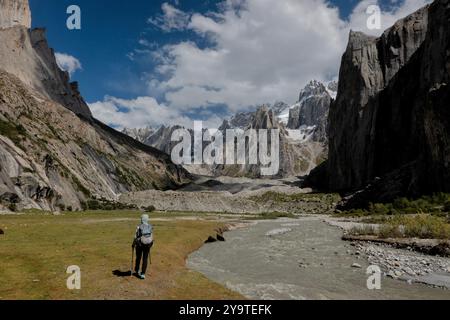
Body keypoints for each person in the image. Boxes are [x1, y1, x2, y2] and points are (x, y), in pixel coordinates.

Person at [132, 214, 154, 280]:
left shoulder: (139, 226)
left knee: (138, 257)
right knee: (145, 259)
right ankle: (143, 274)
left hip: (139, 244)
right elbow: (152, 236)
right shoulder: (150, 226)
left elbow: (135, 237)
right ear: (147, 219)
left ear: (141, 219)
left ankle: (137, 270)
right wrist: (150, 244)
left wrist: (133, 244)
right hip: (148, 245)